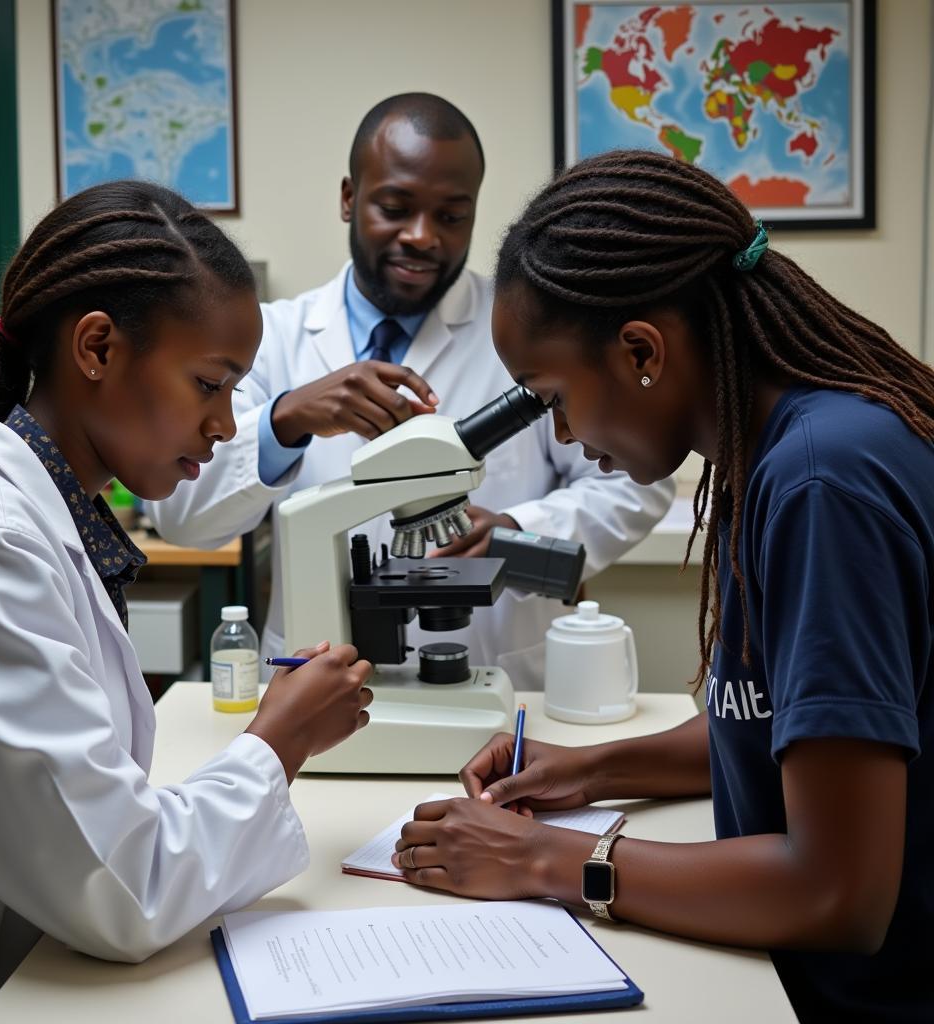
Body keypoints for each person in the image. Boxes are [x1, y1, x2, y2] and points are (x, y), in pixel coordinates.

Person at [390, 150, 934, 1023]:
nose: (563, 430)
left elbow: (839, 893)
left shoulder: (819, 481)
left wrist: (547, 860)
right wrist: (585, 770)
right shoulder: (774, 452)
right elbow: (781, 723)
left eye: (554, 397)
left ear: (641, 350)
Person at [0, 181, 373, 1022]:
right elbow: (121, 890)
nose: (228, 426)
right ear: (97, 347)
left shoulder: (45, 518)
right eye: (210, 384)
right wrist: (280, 739)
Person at [148, 94, 674, 689]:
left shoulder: (528, 334)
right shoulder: (274, 339)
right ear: (350, 198)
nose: (422, 237)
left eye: (452, 216)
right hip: (312, 681)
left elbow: (632, 485)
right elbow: (183, 519)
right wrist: (284, 421)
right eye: (395, 207)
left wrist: (516, 528)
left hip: (500, 669)